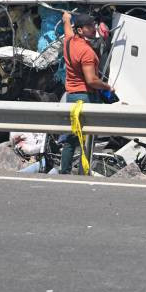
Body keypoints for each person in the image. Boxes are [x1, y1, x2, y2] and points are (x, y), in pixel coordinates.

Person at [59, 10, 114, 175]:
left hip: (71, 96)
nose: (94, 28)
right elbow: (91, 80)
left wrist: (66, 18)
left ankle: (65, 172)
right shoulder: (87, 52)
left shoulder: (69, 41)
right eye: (89, 26)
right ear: (80, 30)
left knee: (70, 139)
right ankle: (83, 173)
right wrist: (107, 87)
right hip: (85, 97)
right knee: (86, 138)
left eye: (93, 24)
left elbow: (67, 28)